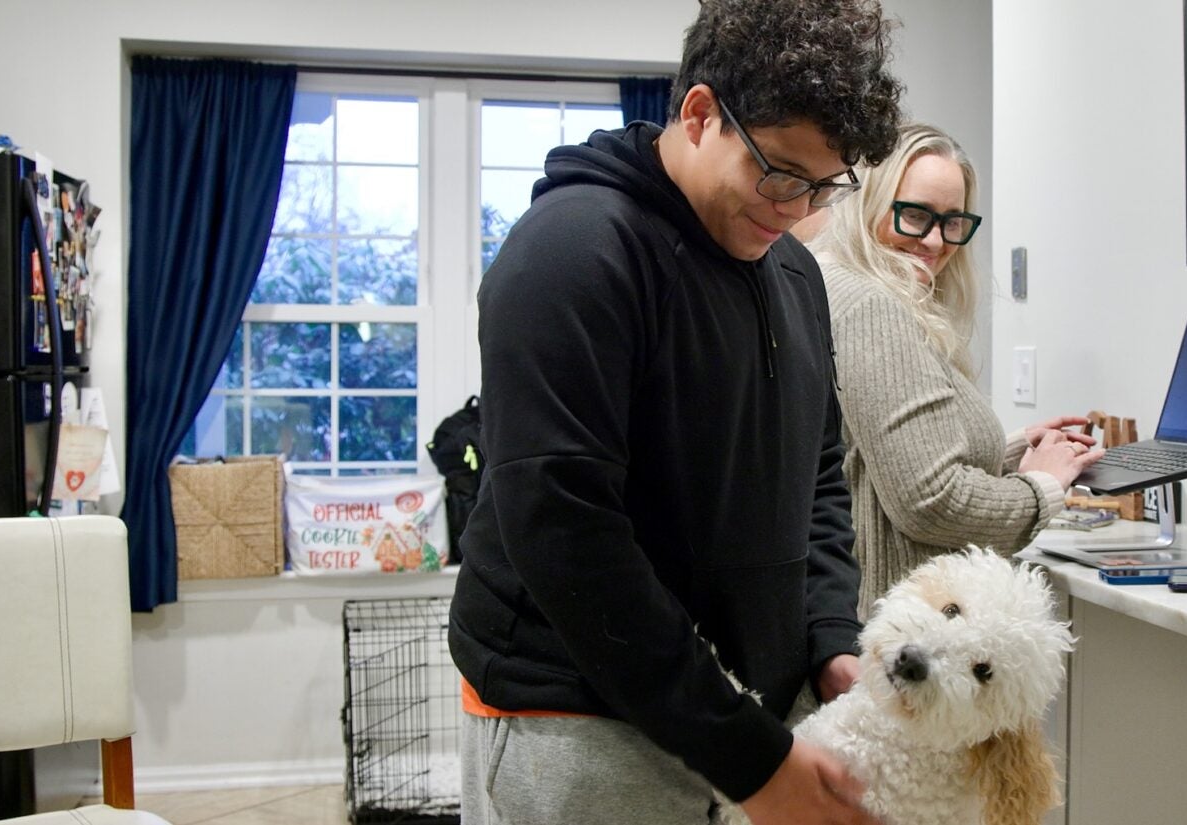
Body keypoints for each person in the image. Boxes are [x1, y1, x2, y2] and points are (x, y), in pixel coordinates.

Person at [446, 2, 903, 824]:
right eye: (780, 172)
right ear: (699, 114)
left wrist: (832, 635)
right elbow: (565, 532)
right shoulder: (573, 250)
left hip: (749, 718)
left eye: (823, 186)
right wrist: (751, 756)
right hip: (583, 721)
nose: (796, 208)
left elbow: (818, 473)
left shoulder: (793, 273)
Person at [807, 123, 1105, 609]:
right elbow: (932, 501)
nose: (934, 241)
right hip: (901, 631)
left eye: (952, 222)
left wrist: (1010, 452)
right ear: (870, 204)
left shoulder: (832, 282)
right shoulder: (872, 306)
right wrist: (1043, 486)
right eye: (915, 215)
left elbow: (868, 454)